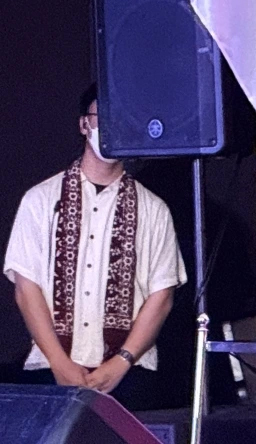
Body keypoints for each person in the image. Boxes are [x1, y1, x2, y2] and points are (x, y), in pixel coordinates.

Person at [4, 83, 187, 411]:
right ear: (83, 124)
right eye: (102, 118)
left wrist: (121, 361)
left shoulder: (153, 208)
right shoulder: (40, 199)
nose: (111, 128)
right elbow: (26, 288)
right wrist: (60, 363)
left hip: (128, 373)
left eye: (121, 120)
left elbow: (161, 296)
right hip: (51, 369)